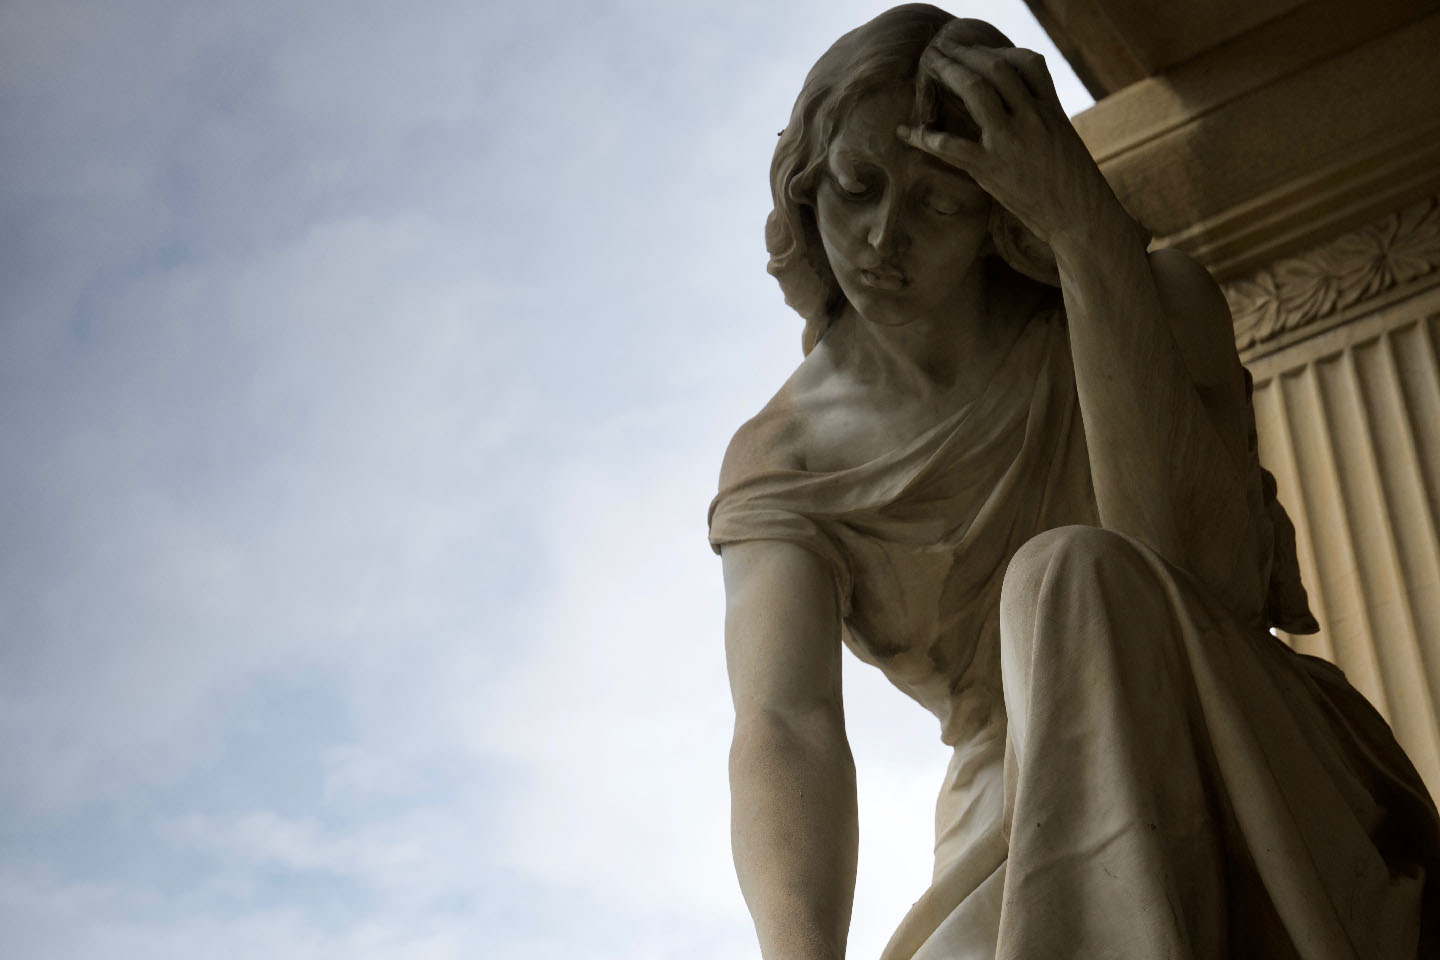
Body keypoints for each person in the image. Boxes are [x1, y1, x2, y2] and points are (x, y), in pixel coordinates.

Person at [707, 6, 1440, 959]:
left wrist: (1087, 239)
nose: (884, 237)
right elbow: (786, 723)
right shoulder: (787, 459)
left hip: (1238, 741)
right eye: (857, 186)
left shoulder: (1151, 305)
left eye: (939, 202)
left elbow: (1191, 577)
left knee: (1075, 573)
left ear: (998, 208)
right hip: (1012, 799)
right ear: (807, 185)